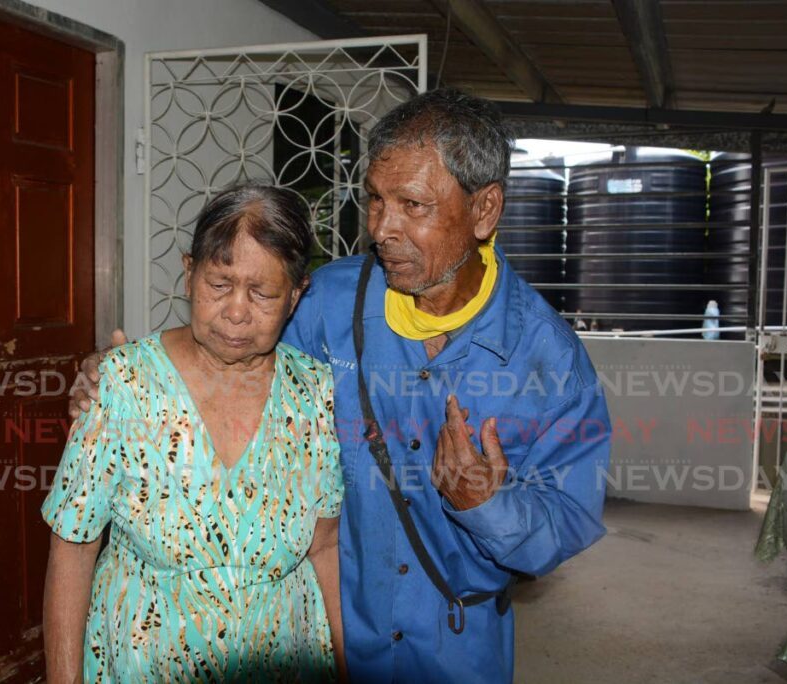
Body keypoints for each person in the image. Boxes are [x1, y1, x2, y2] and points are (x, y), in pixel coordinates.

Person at [72, 89, 611, 683]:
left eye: (413, 204)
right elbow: (232, 340)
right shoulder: (329, 302)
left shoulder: (548, 360)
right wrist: (127, 377)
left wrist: (487, 505)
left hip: (457, 646)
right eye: (376, 200)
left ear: (484, 210)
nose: (383, 228)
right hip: (326, 633)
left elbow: (565, 523)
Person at [43, 184, 346, 683]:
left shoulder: (314, 391)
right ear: (188, 273)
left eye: (264, 293)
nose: (236, 312)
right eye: (219, 284)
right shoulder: (123, 384)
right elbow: (73, 547)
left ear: (295, 296)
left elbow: (324, 547)